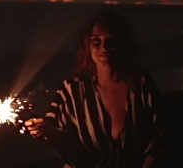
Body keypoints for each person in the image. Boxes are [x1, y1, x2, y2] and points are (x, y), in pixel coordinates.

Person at [24, 11, 166, 168]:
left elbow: (160, 135)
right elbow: (62, 141)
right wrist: (46, 129)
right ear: (87, 45)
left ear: (123, 44)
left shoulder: (140, 83)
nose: (104, 47)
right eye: (96, 41)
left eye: (111, 41)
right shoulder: (73, 90)